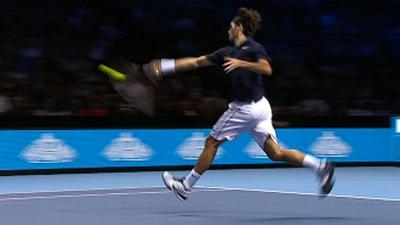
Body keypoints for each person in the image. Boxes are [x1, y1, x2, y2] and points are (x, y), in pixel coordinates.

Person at [101, 7, 335, 201]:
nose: (228, 28)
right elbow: (195, 62)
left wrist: (243, 64)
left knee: (211, 142)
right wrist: (164, 66)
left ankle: (186, 186)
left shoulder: (253, 48)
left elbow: (267, 68)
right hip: (260, 107)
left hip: (246, 108)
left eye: (231, 25)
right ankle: (320, 166)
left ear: (240, 27)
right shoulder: (226, 52)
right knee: (275, 153)